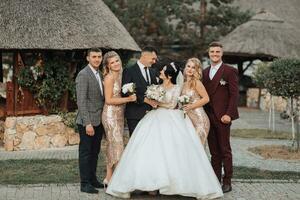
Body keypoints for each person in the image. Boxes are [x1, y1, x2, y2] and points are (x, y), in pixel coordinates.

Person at [106, 63, 223, 199]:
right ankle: (150, 183)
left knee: (170, 150)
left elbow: (172, 104)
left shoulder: (177, 88)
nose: (159, 73)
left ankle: (173, 183)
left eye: (162, 72)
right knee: (149, 149)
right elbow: (150, 99)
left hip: (171, 117)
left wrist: (158, 103)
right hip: (153, 117)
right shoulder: (157, 86)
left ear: (168, 75)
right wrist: (151, 101)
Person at [202, 42, 239, 193]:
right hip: (208, 116)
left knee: (225, 150)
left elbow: (234, 94)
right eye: (212, 52)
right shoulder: (204, 72)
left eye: (218, 52)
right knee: (214, 152)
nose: (215, 54)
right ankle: (215, 179)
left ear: (221, 54)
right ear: (209, 53)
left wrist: (229, 114)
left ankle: (227, 181)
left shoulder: (230, 71)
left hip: (223, 117)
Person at [101, 51, 137, 186]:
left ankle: (108, 178)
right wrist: (128, 99)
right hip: (110, 116)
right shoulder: (109, 78)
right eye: (112, 62)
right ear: (108, 66)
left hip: (120, 115)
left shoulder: (123, 75)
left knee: (112, 145)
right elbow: (109, 100)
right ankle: (119, 179)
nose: (116, 64)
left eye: (117, 60)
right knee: (118, 146)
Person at [75, 47, 105, 194]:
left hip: (99, 120)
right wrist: (87, 123)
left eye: (99, 56)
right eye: (94, 57)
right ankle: (84, 183)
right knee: (86, 152)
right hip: (87, 121)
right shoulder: (83, 75)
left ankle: (92, 179)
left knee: (95, 152)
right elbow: (81, 101)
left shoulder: (100, 74)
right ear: (88, 58)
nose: (97, 59)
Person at [122, 46, 159, 136]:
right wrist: (144, 100)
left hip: (151, 114)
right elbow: (125, 91)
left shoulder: (152, 72)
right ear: (144, 56)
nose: (154, 61)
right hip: (135, 115)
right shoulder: (129, 71)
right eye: (153, 59)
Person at [181, 57, 210, 144]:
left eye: (193, 67)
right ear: (185, 67)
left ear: (197, 70)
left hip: (200, 120)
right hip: (189, 120)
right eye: (188, 66)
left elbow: (206, 99)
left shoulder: (197, 82)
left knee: (197, 148)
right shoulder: (183, 84)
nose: (190, 69)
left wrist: (190, 106)